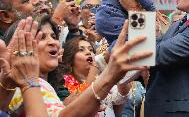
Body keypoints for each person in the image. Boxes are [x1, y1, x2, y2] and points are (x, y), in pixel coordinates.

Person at [0, 16, 152, 116]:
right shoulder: (23, 86)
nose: (53, 42)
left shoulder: (43, 84)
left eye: (53, 36)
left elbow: (119, 101)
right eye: (40, 37)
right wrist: (104, 70)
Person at [55, 36, 130, 117]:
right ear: (70, 57)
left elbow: (121, 97)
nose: (88, 52)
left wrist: (119, 69)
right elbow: (76, 105)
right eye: (81, 50)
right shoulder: (62, 84)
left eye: (91, 49)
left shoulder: (101, 80)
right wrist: (96, 65)